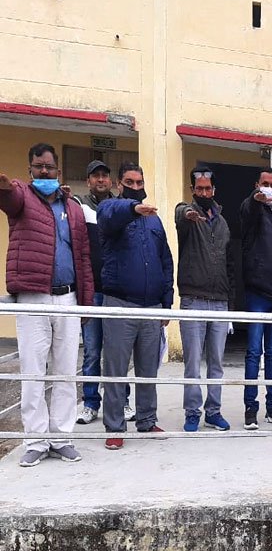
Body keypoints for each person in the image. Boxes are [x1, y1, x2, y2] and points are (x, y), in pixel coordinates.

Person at [0, 143, 94, 467]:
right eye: (38, 166)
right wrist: (4, 186)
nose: (44, 171)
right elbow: (9, 198)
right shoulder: (22, 197)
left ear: (58, 171)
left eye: (49, 167)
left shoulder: (73, 208)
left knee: (66, 372)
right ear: (30, 170)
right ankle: (36, 441)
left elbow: (83, 255)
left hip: (68, 298)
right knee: (33, 372)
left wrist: (86, 302)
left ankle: (61, 438)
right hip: (33, 297)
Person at [98, 162, 174, 450]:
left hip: (151, 307)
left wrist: (167, 302)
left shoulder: (154, 220)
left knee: (148, 370)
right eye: (129, 182)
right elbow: (111, 216)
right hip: (120, 304)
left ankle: (146, 420)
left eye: (139, 183)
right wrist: (132, 208)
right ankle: (115, 426)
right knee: (116, 370)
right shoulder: (110, 209)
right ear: (119, 184)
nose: (135, 187)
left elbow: (165, 260)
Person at [175, 167, 235, 433]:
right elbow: (180, 213)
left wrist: (230, 302)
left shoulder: (222, 223)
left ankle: (213, 412)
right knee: (192, 364)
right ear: (192, 191)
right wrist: (189, 214)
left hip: (219, 301)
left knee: (216, 364)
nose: (203, 193)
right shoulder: (187, 215)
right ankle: (192, 412)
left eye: (207, 188)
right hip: (193, 300)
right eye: (199, 189)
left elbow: (229, 264)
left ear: (214, 190)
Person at [75, 159, 134, 425]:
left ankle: (121, 400)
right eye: (95, 176)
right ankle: (90, 403)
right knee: (91, 351)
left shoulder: (120, 207)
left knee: (117, 351)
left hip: (116, 292)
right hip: (91, 292)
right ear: (88, 181)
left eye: (104, 176)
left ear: (111, 181)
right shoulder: (79, 206)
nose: (100, 180)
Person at [240, 167, 272, 429]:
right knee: (253, 353)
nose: (269, 188)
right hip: (257, 293)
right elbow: (247, 210)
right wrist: (254, 200)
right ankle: (251, 408)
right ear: (256, 185)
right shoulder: (251, 210)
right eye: (265, 184)